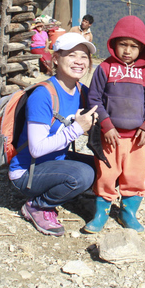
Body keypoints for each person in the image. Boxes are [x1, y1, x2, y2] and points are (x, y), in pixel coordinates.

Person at [9, 32, 99, 236]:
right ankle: (37, 206)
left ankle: (66, 192)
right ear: (56, 58)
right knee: (84, 175)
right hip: (27, 171)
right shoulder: (43, 94)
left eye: (84, 56)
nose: (79, 61)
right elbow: (37, 148)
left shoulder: (81, 91)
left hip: (56, 161)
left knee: (107, 168)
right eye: (72, 55)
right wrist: (77, 128)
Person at [83, 15, 145, 233]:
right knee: (106, 175)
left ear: (142, 48)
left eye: (134, 46)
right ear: (114, 43)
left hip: (136, 138)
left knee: (135, 176)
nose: (127, 50)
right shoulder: (105, 68)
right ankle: (101, 213)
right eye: (123, 44)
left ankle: (128, 213)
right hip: (110, 137)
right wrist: (106, 125)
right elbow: (94, 99)